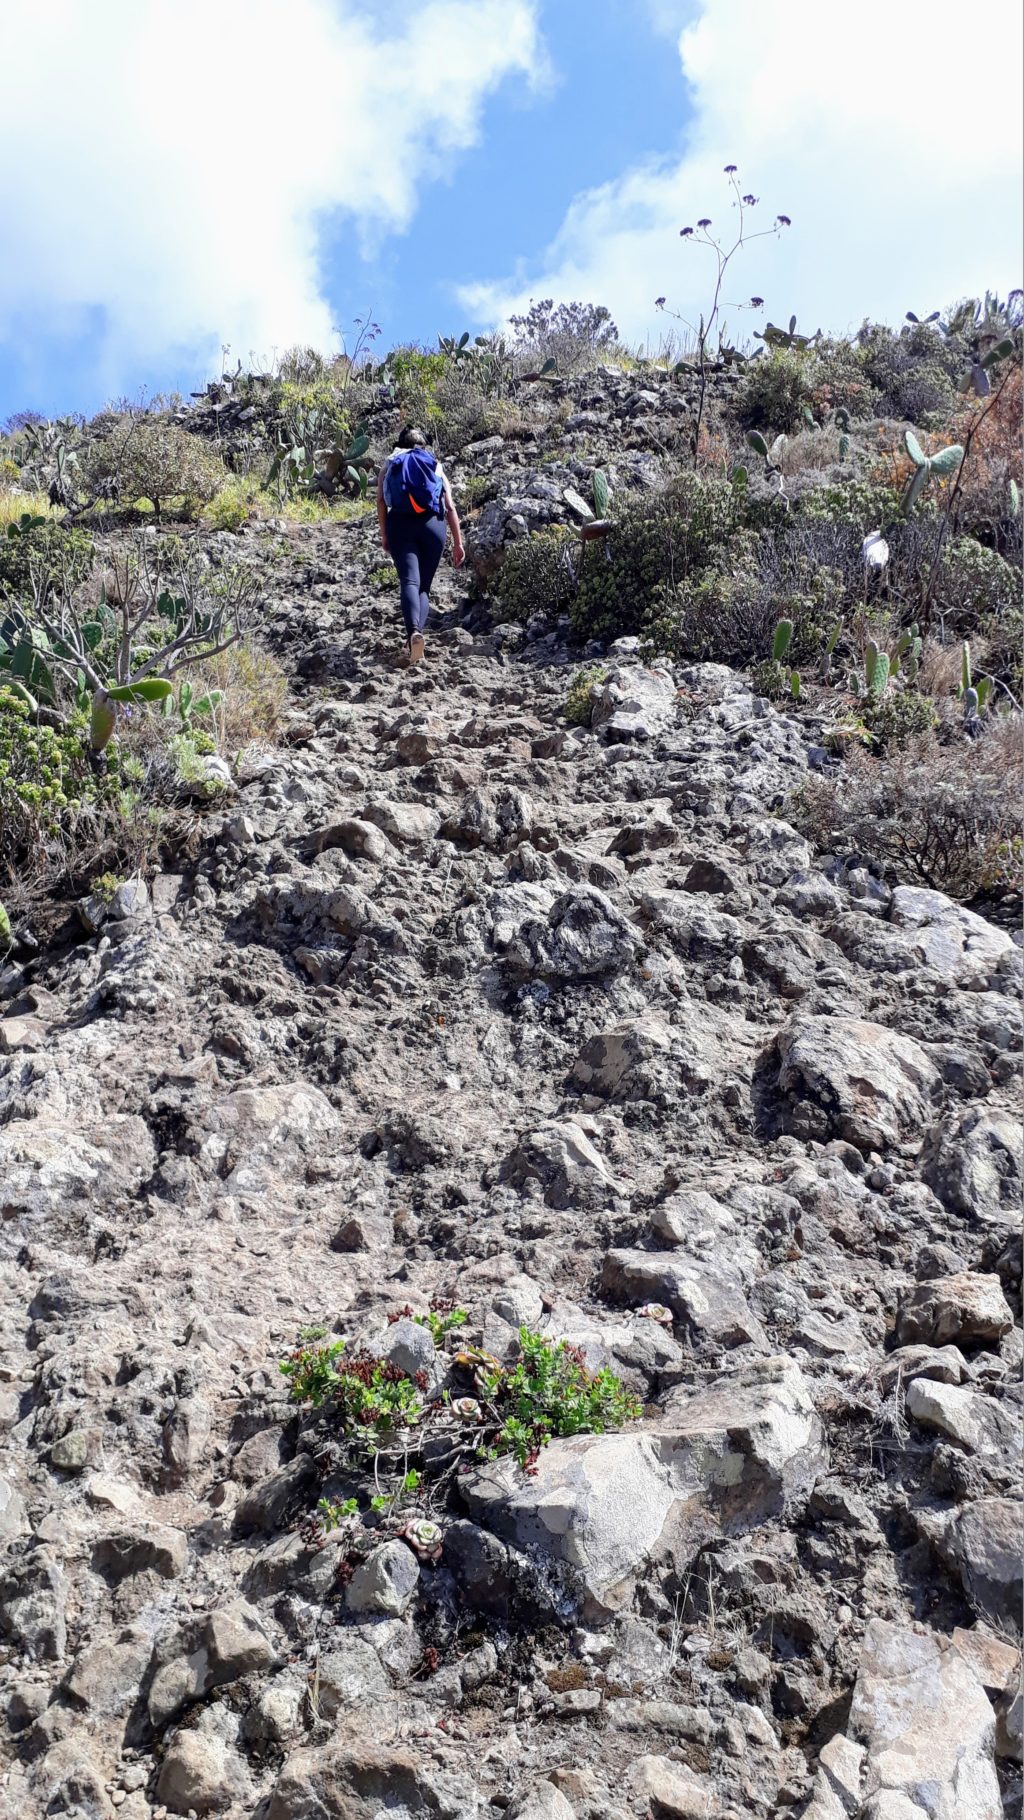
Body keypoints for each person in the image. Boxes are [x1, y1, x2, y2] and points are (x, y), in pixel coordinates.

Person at [377, 425, 465, 664]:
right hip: (433, 526)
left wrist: (385, 534)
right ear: (424, 445)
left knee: (409, 581)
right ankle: (416, 636)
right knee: (423, 587)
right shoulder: (434, 465)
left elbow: (381, 501)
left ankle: (413, 631)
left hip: (400, 525)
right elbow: (450, 506)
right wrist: (458, 543)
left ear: (400, 443)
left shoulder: (391, 463)